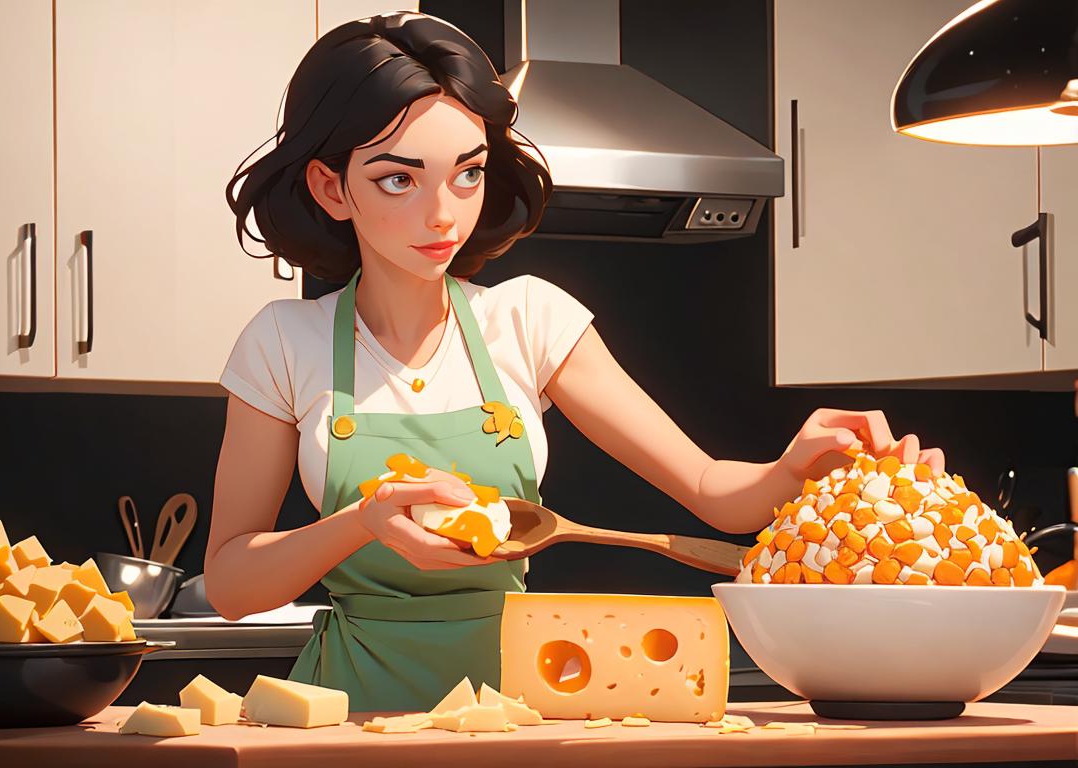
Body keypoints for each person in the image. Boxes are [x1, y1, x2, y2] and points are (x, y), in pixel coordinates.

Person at [205, 11, 945, 713]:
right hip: (343, 718)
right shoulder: (283, 343)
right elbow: (232, 582)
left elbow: (713, 492)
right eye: (398, 179)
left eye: (468, 173)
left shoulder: (529, 320)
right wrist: (363, 522)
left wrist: (795, 466)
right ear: (332, 187)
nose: (442, 214)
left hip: (518, 710)